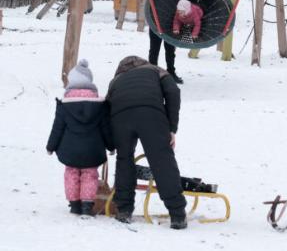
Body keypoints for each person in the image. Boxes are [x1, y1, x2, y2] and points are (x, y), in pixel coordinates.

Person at [106, 56, 187, 229]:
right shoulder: (156, 71)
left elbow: (106, 108)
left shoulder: (116, 81)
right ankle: (177, 214)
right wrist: (171, 127)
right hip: (151, 114)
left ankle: (124, 210)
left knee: (124, 159)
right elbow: (173, 91)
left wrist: (112, 142)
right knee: (161, 160)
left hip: (121, 118)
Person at [46, 59, 113, 217]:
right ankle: (87, 206)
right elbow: (105, 129)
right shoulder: (99, 105)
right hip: (93, 150)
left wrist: (51, 147)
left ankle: (75, 205)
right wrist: (111, 146)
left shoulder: (64, 105)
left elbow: (57, 128)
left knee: (71, 174)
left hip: (70, 150)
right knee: (90, 175)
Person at [148, 0, 183, 84]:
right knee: (154, 49)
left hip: (171, 21)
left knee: (170, 49)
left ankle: (171, 72)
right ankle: (152, 73)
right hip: (156, 20)